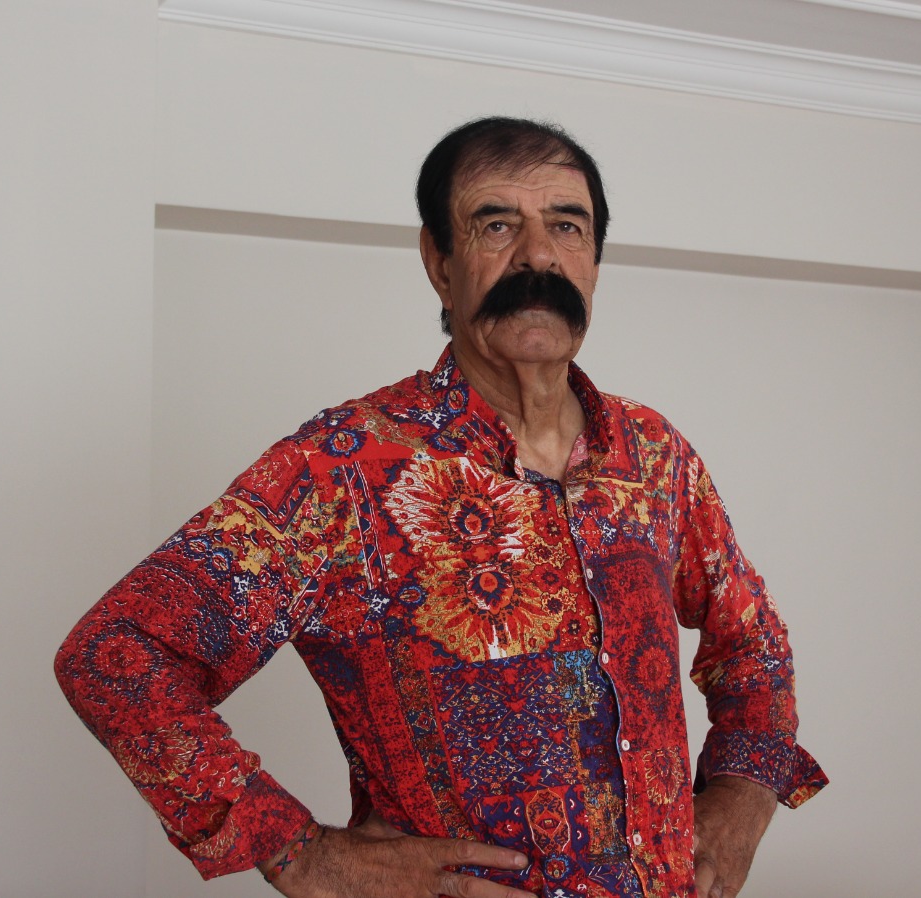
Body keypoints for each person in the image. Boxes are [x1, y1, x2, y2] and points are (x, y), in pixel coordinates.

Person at [55, 116, 825, 898]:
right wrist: (305, 855)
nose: (538, 255)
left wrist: (742, 800)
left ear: (593, 260)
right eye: (497, 224)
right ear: (439, 261)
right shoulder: (343, 469)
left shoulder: (655, 455)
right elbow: (115, 654)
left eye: (567, 226)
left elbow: (753, 646)